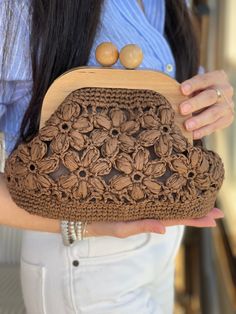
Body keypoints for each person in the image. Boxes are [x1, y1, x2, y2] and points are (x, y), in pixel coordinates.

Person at [0, 0, 234, 313]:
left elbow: (173, 81)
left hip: (162, 248)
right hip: (81, 264)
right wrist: (86, 226)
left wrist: (211, 98)